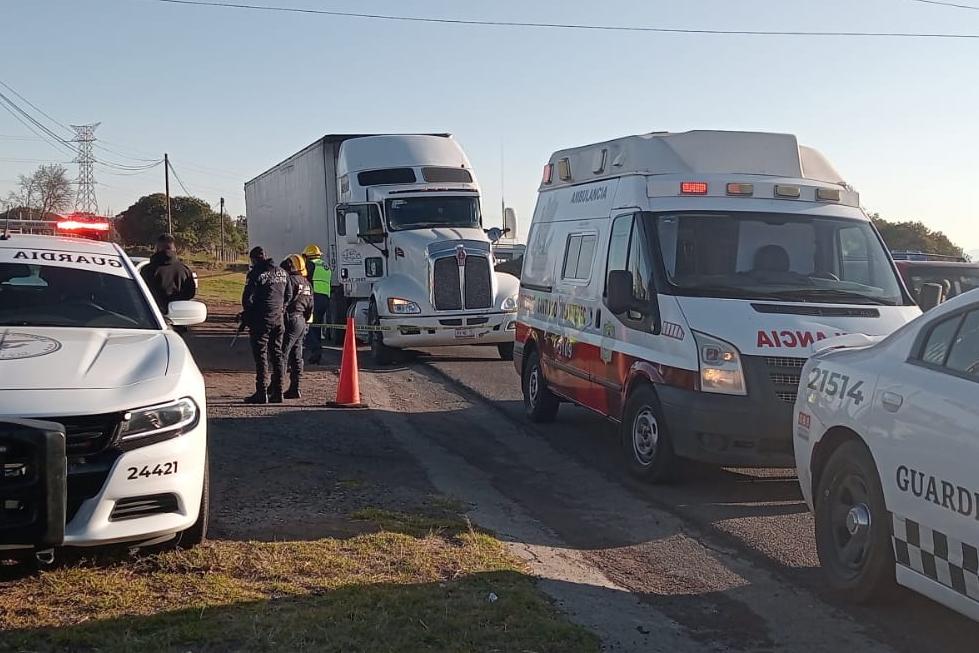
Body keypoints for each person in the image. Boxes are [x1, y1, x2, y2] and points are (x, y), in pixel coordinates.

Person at [241, 246, 288, 404]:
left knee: (261, 357)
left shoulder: (256, 274)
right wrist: (279, 309)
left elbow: (247, 299)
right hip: (278, 320)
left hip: (261, 321)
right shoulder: (282, 272)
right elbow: (288, 295)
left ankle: (262, 393)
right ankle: (279, 391)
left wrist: (248, 315)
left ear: (254, 259)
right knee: (277, 355)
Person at [281, 254, 314, 399]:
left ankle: (276, 387)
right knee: (297, 356)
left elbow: (284, 301)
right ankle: (296, 387)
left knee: (282, 354)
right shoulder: (306, 283)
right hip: (302, 321)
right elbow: (310, 306)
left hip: (290, 319)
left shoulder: (289, 281)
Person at [141, 234, 196, 314]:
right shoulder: (185, 270)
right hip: (179, 316)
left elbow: (140, 294)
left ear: (157, 248)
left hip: (152, 317)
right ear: (174, 248)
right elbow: (190, 293)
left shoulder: (147, 270)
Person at [302, 244, 332, 364]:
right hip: (325, 298)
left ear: (308, 256)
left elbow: (305, 280)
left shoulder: (311, 264)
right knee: (316, 325)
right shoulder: (325, 266)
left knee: (307, 325)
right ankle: (316, 354)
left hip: (315, 297)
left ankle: (315, 349)